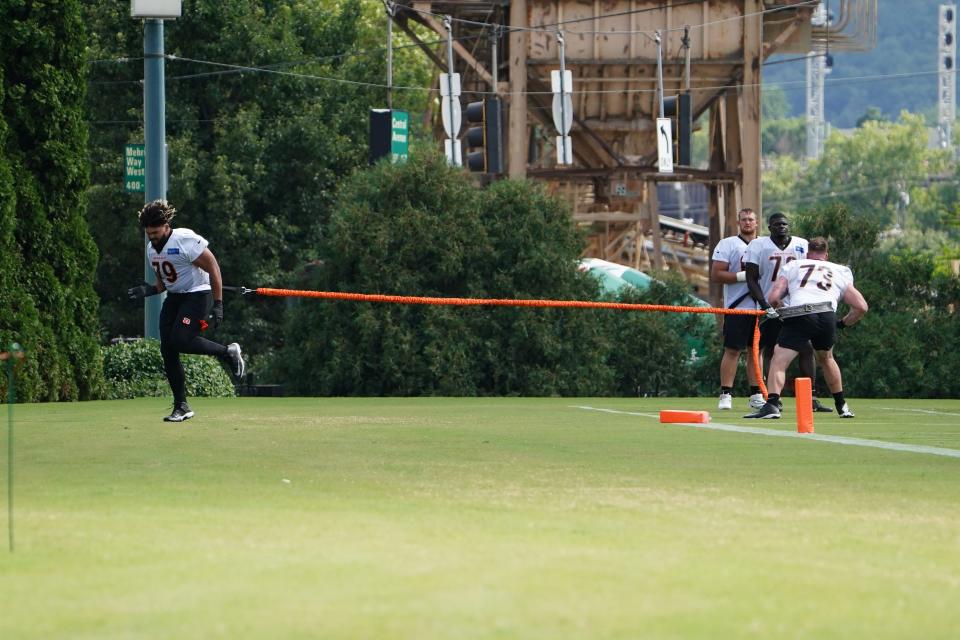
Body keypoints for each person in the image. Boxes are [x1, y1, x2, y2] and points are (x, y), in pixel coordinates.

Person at [127, 200, 245, 422]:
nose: (152, 237)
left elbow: (213, 268)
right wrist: (148, 290)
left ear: (166, 225)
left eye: (155, 232)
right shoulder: (151, 249)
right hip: (175, 298)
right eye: (148, 233)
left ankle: (227, 352)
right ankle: (181, 406)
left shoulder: (184, 240)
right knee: (167, 349)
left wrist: (218, 303)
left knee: (181, 340)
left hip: (198, 294)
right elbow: (163, 284)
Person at [744, 237, 867, 419]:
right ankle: (842, 406)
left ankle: (772, 405)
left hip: (800, 312)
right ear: (826, 255)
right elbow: (861, 307)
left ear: (807, 253)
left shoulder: (794, 265)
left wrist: (783, 310)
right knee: (827, 358)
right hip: (826, 313)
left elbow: (773, 298)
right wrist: (841, 324)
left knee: (779, 360)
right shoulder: (840, 270)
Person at [744, 212, 833, 413]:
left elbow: (814, 270)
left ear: (789, 226)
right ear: (769, 227)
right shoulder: (758, 245)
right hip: (771, 304)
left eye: (784, 224)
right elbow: (751, 278)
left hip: (797, 305)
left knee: (807, 349)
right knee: (770, 349)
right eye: (776, 224)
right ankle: (773, 398)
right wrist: (764, 303)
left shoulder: (801, 244)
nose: (781, 227)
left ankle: (811, 397)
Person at [710, 208, 765, 410]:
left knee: (756, 351)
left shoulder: (765, 245)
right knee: (732, 350)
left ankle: (756, 393)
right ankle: (726, 393)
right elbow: (716, 274)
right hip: (737, 306)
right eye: (744, 220)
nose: (748, 223)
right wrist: (742, 276)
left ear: (757, 222)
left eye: (751, 219)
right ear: (738, 222)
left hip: (760, 306)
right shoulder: (729, 244)